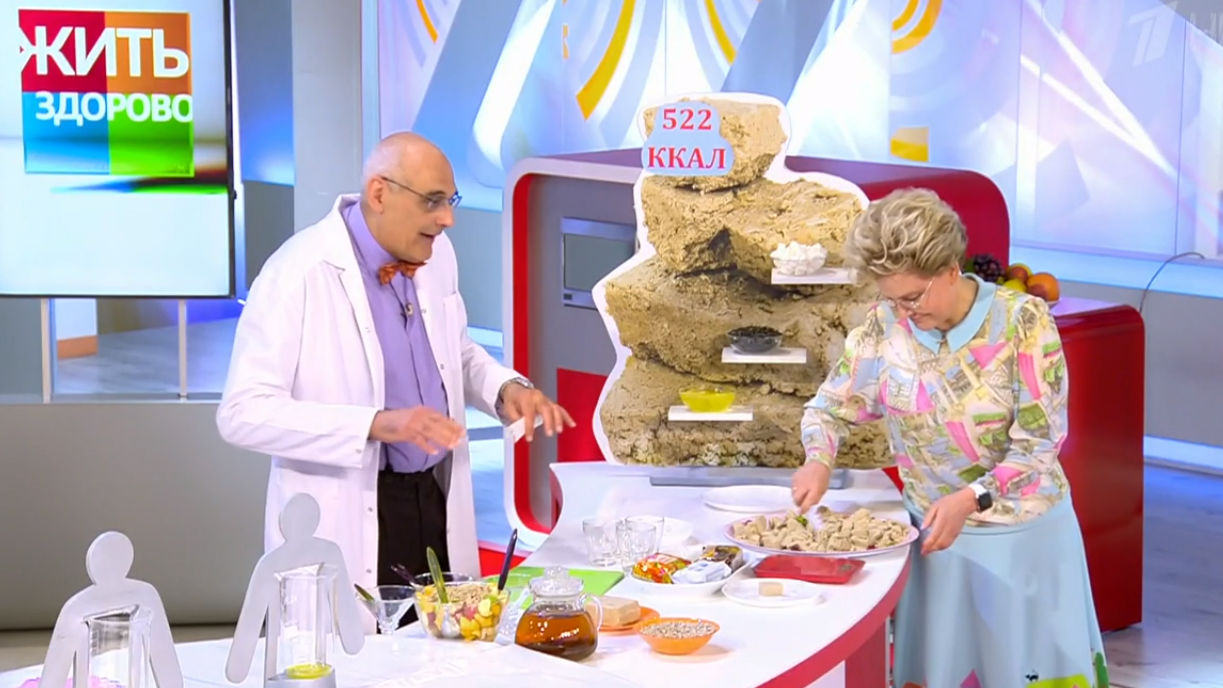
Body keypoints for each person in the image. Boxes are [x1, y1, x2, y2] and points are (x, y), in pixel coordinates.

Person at [217, 132, 574, 629]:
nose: (447, 219)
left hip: (435, 501)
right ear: (380, 193)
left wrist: (504, 388)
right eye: (432, 201)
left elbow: (456, 351)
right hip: (356, 510)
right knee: (365, 658)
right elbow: (242, 413)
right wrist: (375, 425)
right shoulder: (297, 273)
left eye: (450, 201)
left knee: (447, 650)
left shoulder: (437, 255)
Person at [792, 189, 1108, 687]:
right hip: (935, 546)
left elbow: (1039, 445)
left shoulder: (1023, 322)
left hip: (1022, 544)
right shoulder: (885, 326)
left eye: (913, 297)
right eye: (891, 298)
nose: (903, 312)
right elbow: (829, 407)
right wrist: (818, 458)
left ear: (950, 269)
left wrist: (970, 498)